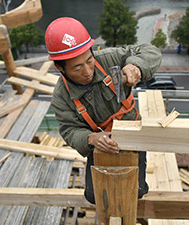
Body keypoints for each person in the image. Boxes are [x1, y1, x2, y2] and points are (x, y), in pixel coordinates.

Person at [45, 17, 162, 204]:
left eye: (89, 61)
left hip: (131, 134)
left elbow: (150, 51)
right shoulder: (62, 97)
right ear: (60, 68)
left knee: (137, 191)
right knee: (95, 196)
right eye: (77, 67)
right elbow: (69, 130)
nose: (87, 71)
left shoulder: (109, 59)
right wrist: (91, 138)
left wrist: (136, 66)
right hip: (100, 145)